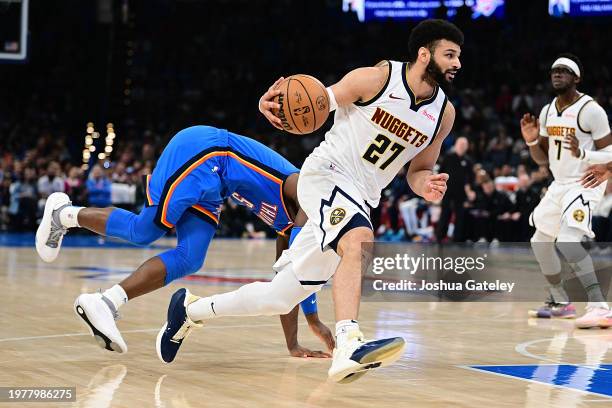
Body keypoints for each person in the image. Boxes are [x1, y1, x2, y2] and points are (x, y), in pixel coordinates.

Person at [157, 19, 461, 383]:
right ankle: (349, 342)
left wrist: (426, 184)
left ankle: (190, 310)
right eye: (450, 54)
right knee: (359, 240)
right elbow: (315, 102)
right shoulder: (376, 79)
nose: (457, 63)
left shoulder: (443, 115)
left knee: (279, 298)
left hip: (361, 197)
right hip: (326, 175)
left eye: (458, 56)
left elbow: (418, 169)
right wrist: (273, 104)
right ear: (424, 54)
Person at [35, 125, 333, 358]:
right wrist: (312, 318)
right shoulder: (305, 190)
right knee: (145, 230)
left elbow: (290, 280)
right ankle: (64, 214)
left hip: (216, 185)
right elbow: (301, 264)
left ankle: (106, 301)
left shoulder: (292, 229)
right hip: (205, 152)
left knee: (191, 256)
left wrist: (295, 342)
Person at [520, 53, 612, 327]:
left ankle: (601, 308)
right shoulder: (548, 110)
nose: (557, 74)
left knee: (568, 241)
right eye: (554, 71)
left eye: (563, 70)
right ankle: (560, 301)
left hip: (585, 182)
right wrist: (532, 140)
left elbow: (610, 152)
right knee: (540, 242)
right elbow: (542, 160)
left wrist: (586, 155)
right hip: (559, 184)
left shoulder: (590, 110)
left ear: (576, 78)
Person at [435, 136, 473, 242]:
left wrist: (470, 191)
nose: (462, 147)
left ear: (467, 147)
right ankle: (440, 237)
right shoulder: (448, 157)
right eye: (460, 144)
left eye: (464, 145)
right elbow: (440, 173)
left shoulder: (468, 161)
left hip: (461, 193)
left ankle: (457, 239)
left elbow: (470, 178)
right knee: (445, 214)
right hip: (447, 191)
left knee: (460, 217)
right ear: (456, 145)